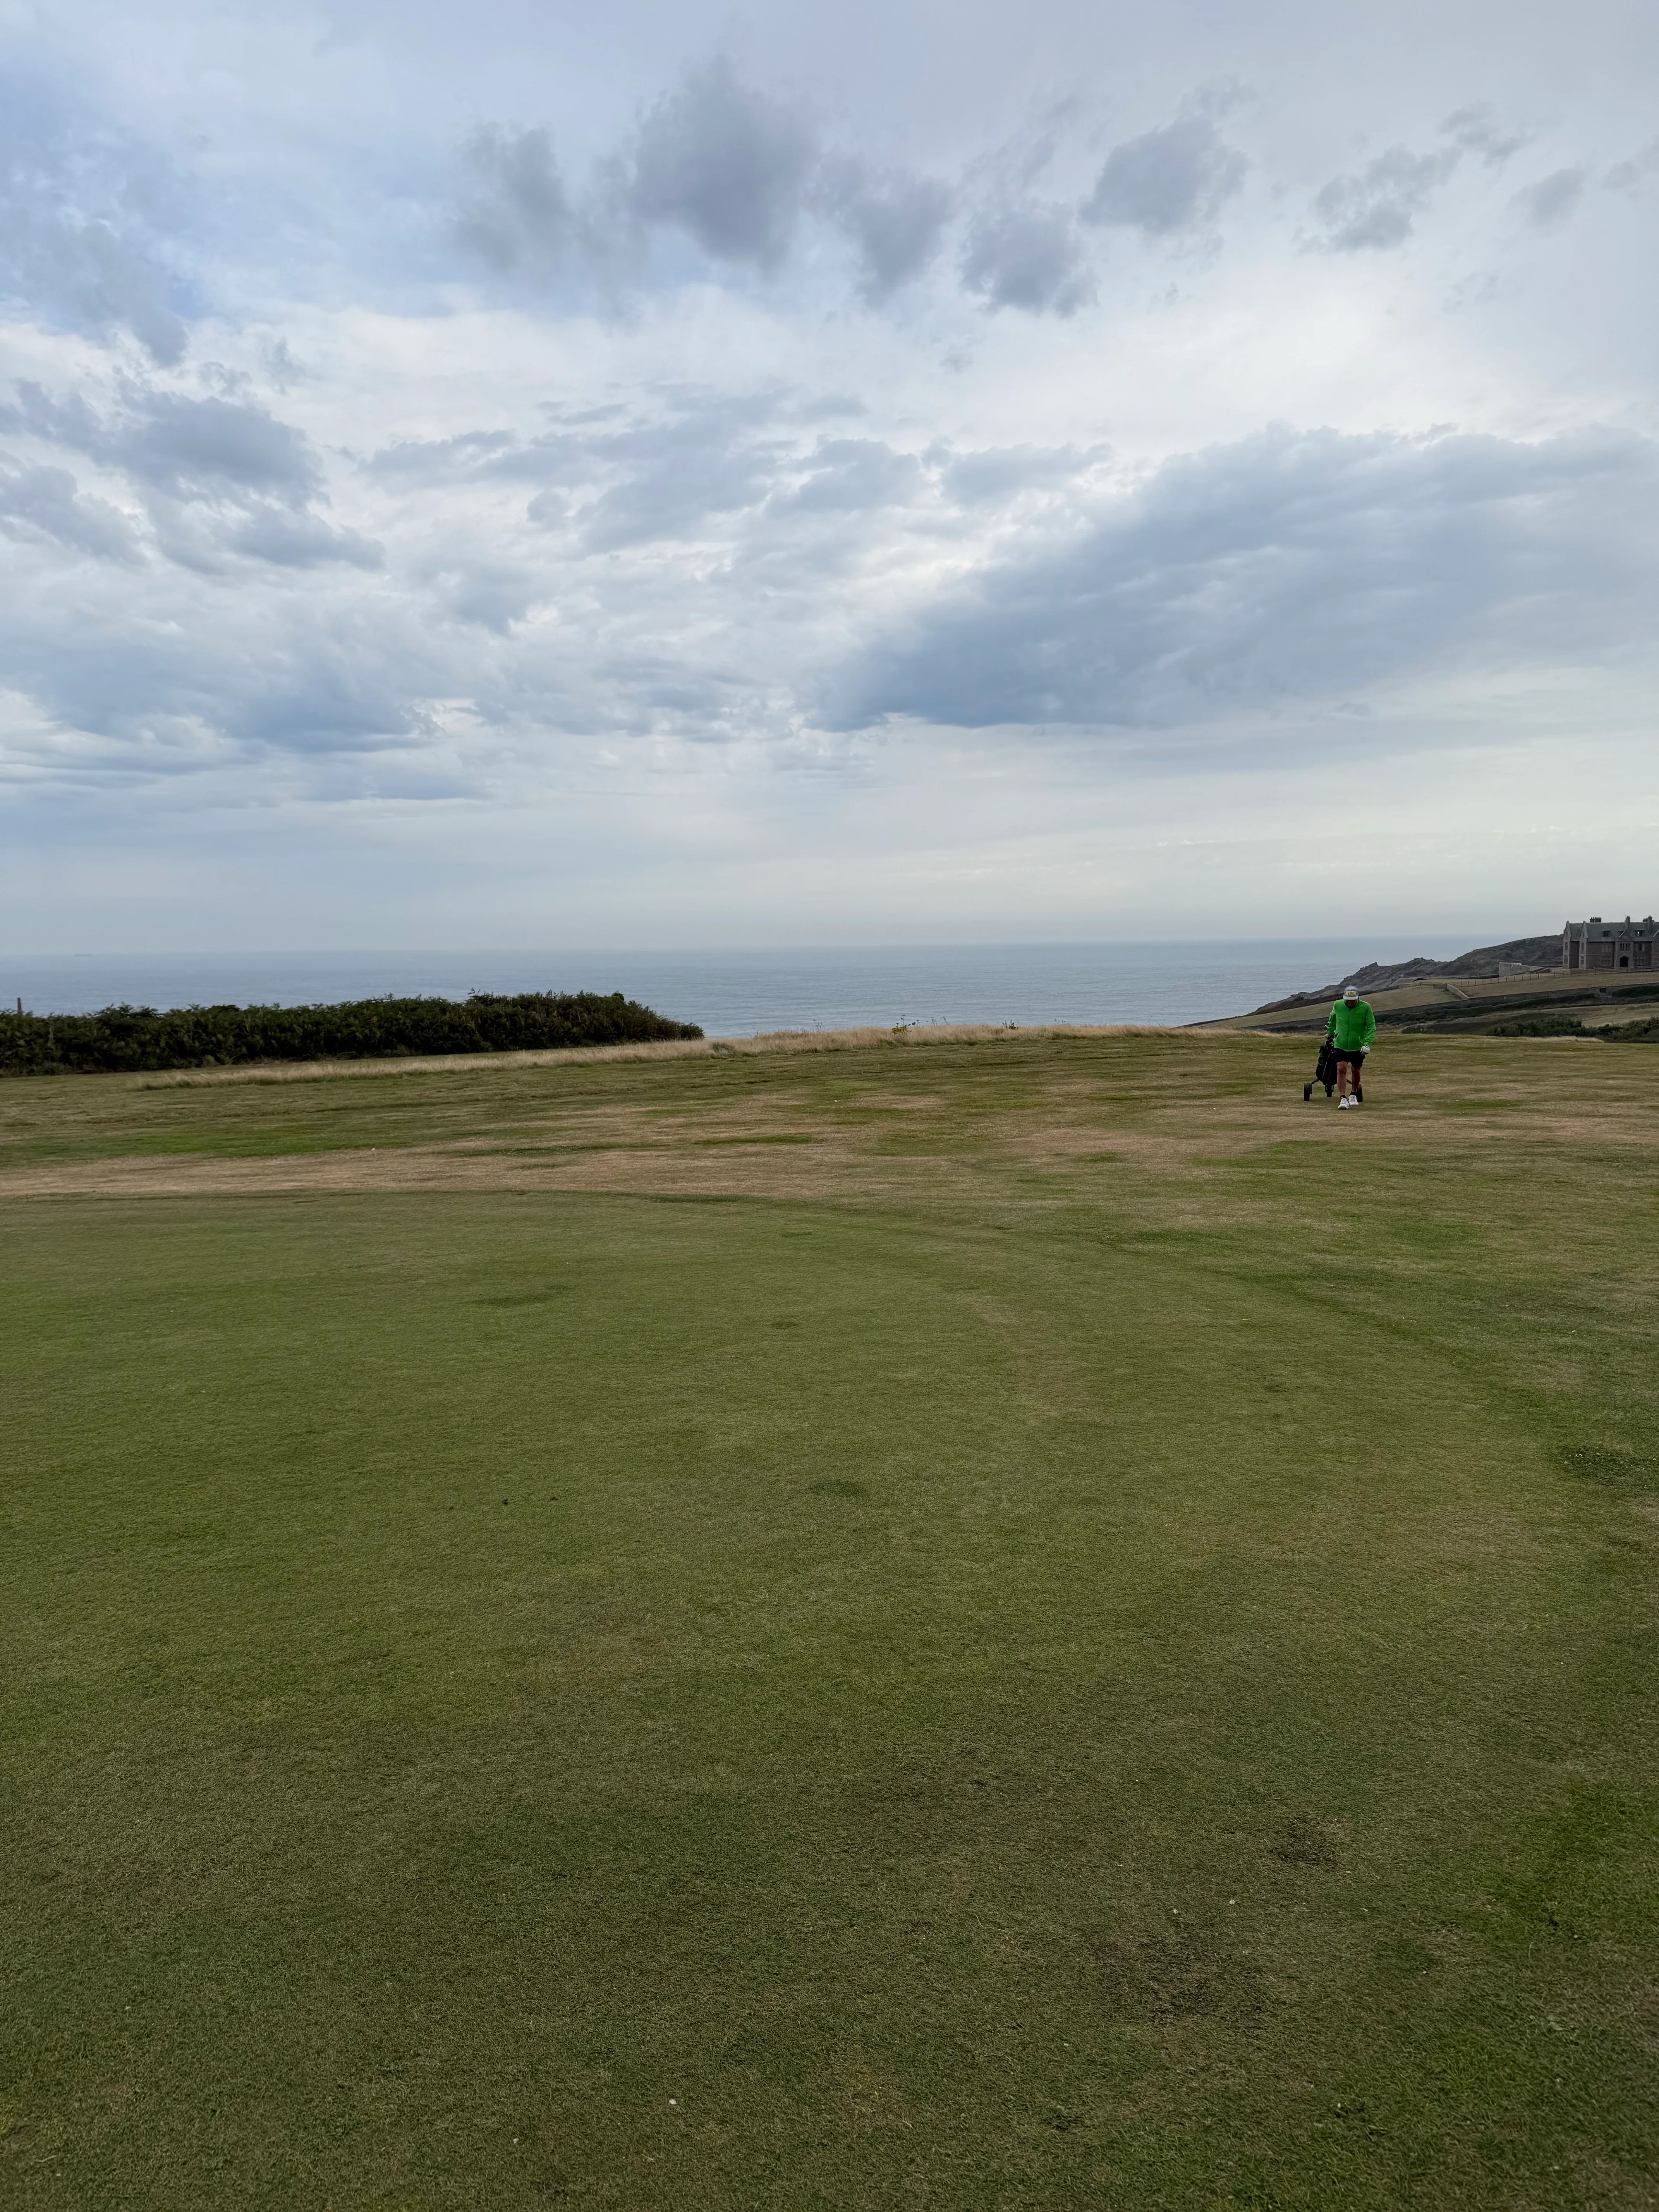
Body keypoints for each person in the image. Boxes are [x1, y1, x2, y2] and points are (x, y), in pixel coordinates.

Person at [1327, 983, 1375, 1108]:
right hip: (1340, 1043)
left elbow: (1371, 1027)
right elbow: (1333, 1019)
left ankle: (1353, 1094)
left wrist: (1367, 1044)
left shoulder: (1366, 1008)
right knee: (1341, 1069)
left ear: (1358, 999)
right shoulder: (1338, 1005)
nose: (1350, 1003)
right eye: (1348, 1001)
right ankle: (1343, 1098)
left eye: (1353, 1001)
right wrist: (1330, 1033)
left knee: (1356, 1070)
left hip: (1358, 1046)